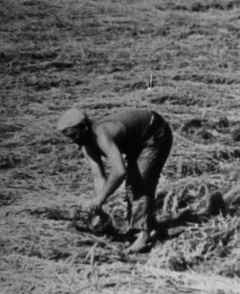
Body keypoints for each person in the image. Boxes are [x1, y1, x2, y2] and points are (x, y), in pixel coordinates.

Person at [57, 107, 173, 253]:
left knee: (138, 183)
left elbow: (119, 171)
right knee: (134, 183)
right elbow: (98, 176)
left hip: (155, 132)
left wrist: (100, 199)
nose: (73, 141)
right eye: (70, 138)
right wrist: (99, 205)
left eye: (74, 135)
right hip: (136, 142)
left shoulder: (102, 134)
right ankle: (150, 227)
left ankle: (144, 234)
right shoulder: (86, 145)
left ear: (84, 127)